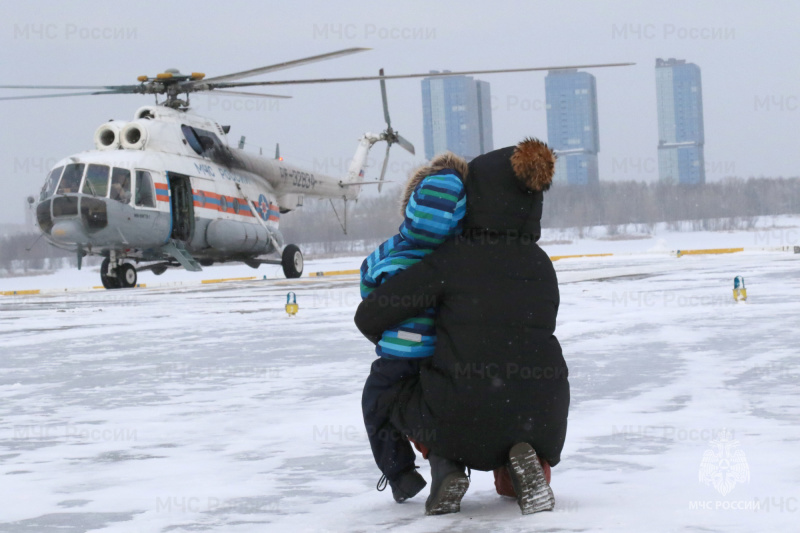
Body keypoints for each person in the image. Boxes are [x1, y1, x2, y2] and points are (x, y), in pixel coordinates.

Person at [355, 138, 569, 516]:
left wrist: (394, 336)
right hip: (543, 413)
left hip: (464, 417)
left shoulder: (451, 260)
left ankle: (447, 465)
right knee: (512, 409)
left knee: (392, 388)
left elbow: (370, 315)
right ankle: (528, 466)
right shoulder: (542, 264)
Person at [360, 152, 468, 504]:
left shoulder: (390, 250)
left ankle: (401, 474)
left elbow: (368, 287)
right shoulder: (458, 253)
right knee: (438, 410)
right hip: (442, 353)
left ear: (411, 203)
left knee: (376, 403)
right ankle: (449, 462)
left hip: (396, 356)